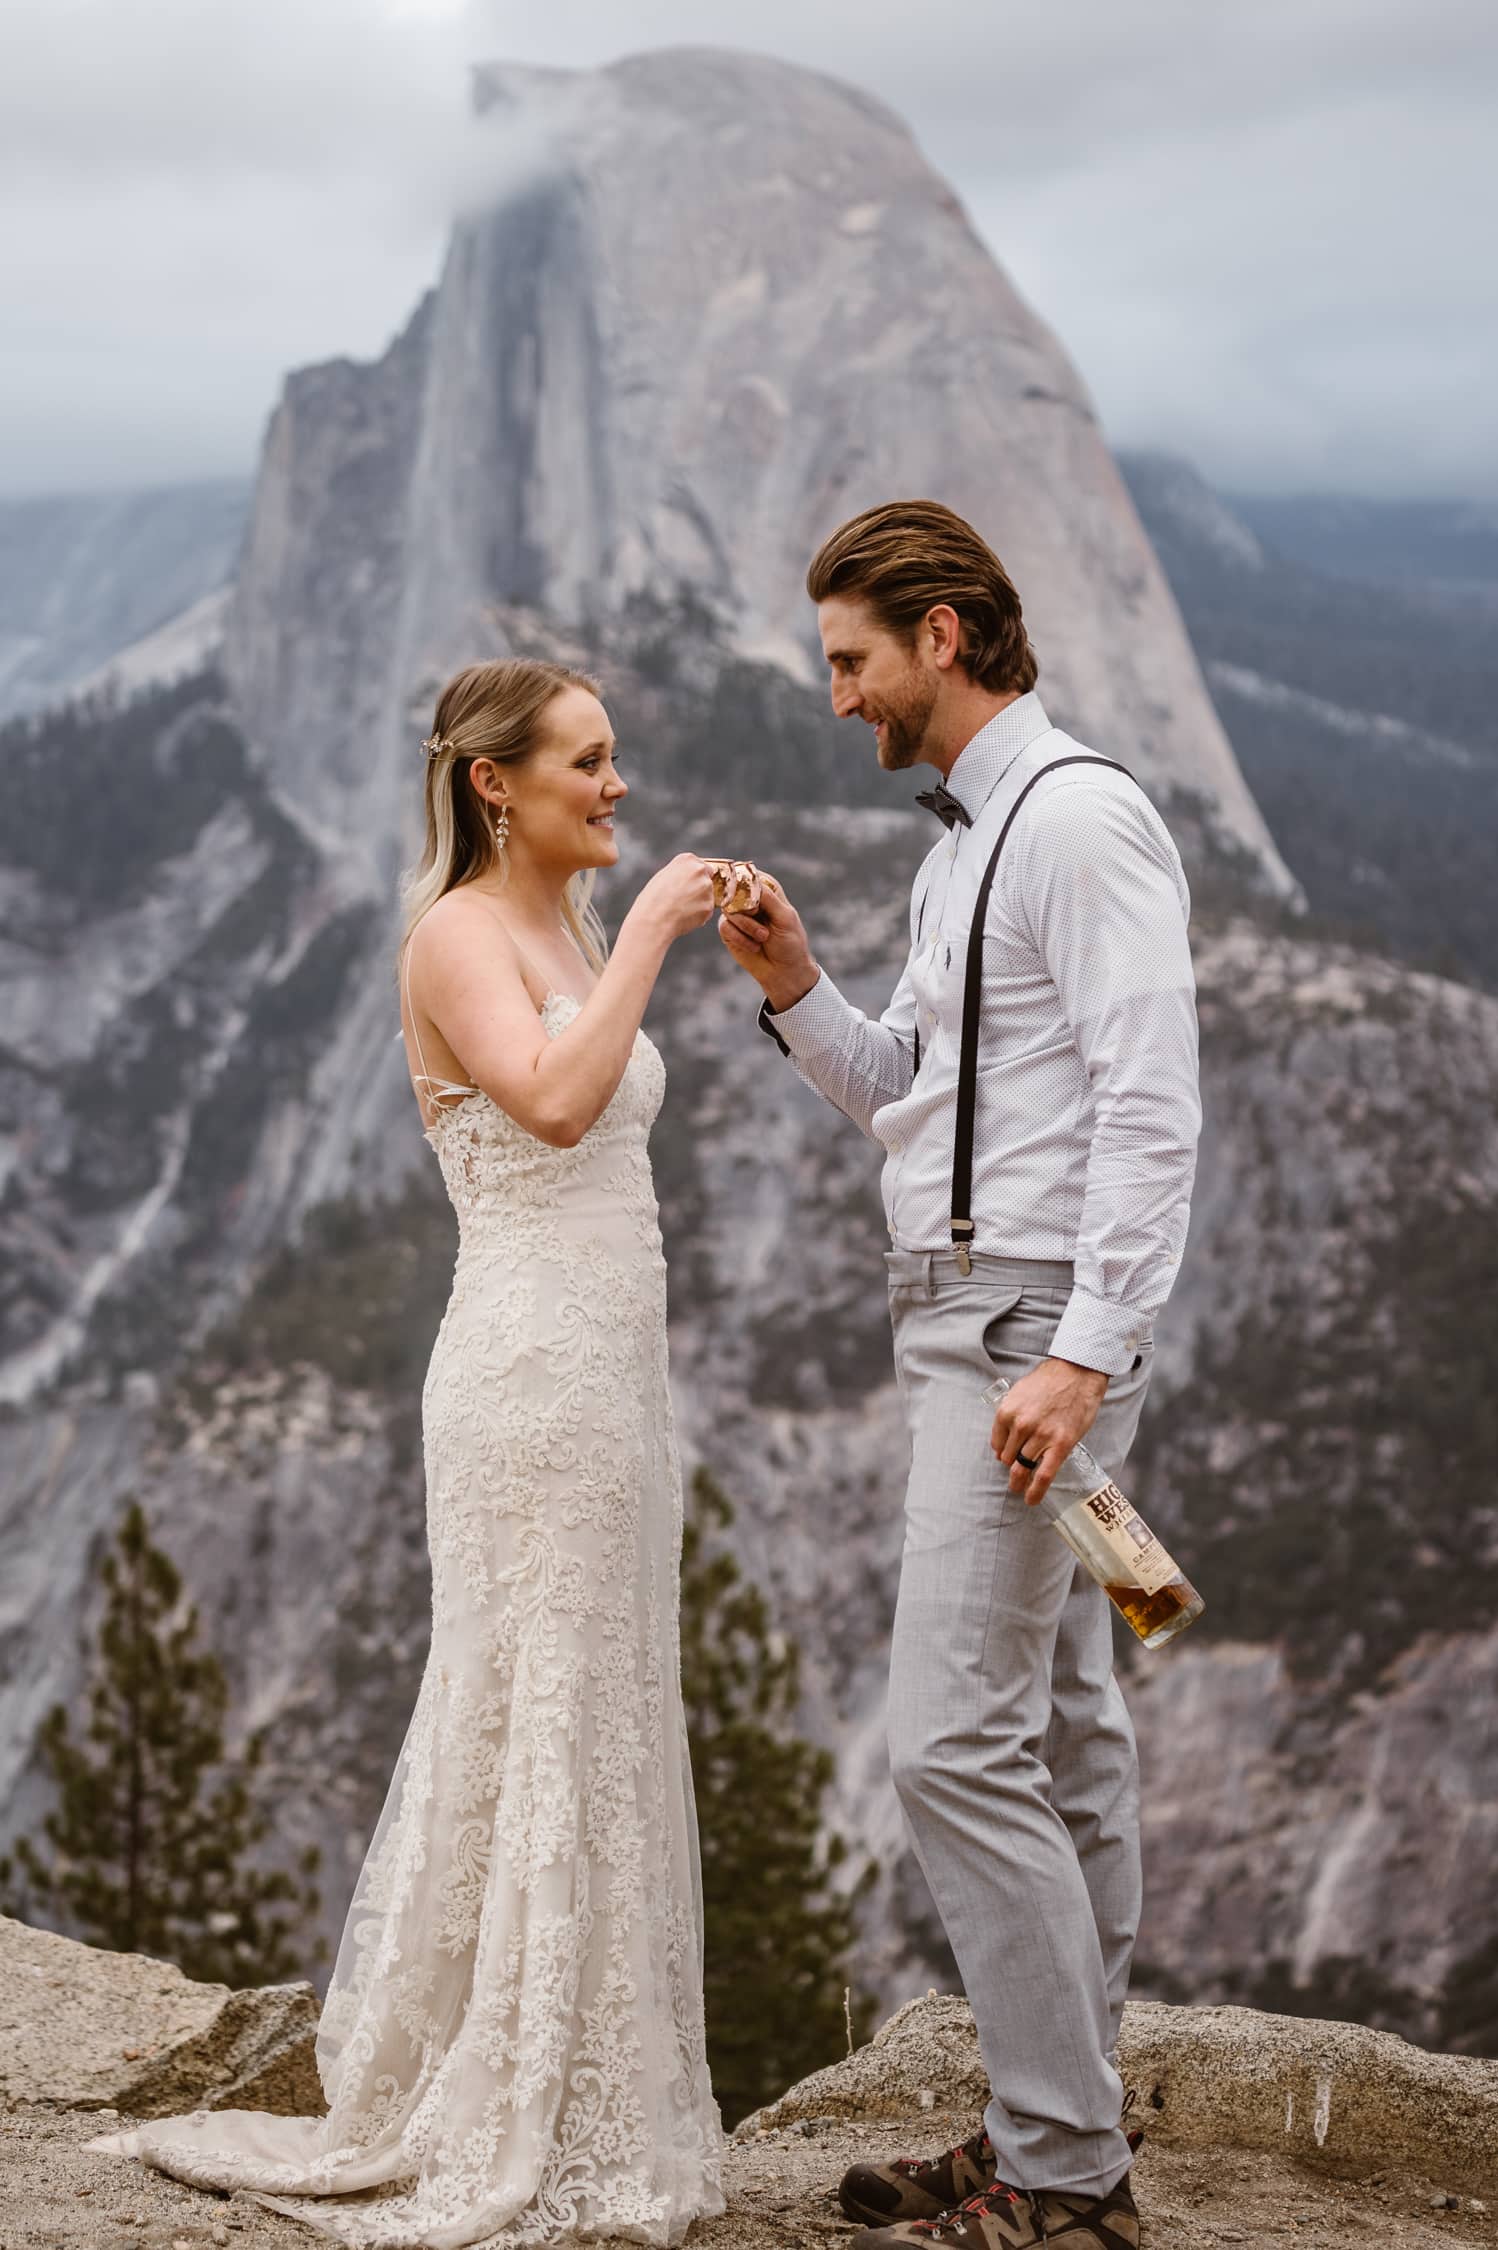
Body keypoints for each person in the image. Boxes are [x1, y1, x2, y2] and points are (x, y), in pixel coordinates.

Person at [89, 658, 726, 2247]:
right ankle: (500, 2095)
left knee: (601, 1692)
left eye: (618, 756)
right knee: (535, 1691)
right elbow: (555, 1104)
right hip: (524, 1379)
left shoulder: (561, 926)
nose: (618, 784)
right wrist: (655, 928)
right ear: (494, 781)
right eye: (589, 759)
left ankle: (585, 2075)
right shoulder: (455, 933)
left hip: (611, 1375)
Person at [719, 502, 1200, 2250]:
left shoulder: (1078, 823)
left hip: (1018, 1332)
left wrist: (1084, 1349)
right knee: (1065, 1736)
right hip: (978, 1307)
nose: (837, 695)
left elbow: (1155, 1107)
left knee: (947, 1744)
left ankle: (1065, 2174)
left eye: (851, 657)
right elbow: (913, 1093)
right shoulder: (960, 852)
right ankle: (1042, 2134)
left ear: (939, 632)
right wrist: (797, 991)